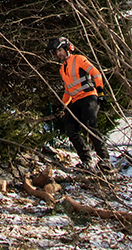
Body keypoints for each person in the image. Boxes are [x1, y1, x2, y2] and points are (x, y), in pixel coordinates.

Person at [46, 36, 112, 171]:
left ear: (66, 48)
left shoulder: (79, 59)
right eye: (56, 52)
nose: (58, 54)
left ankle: (105, 159)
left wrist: (100, 92)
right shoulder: (62, 69)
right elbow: (68, 90)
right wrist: (62, 106)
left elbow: (96, 74)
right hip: (75, 100)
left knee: (90, 125)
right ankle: (86, 160)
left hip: (89, 97)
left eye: (60, 51)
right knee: (70, 128)